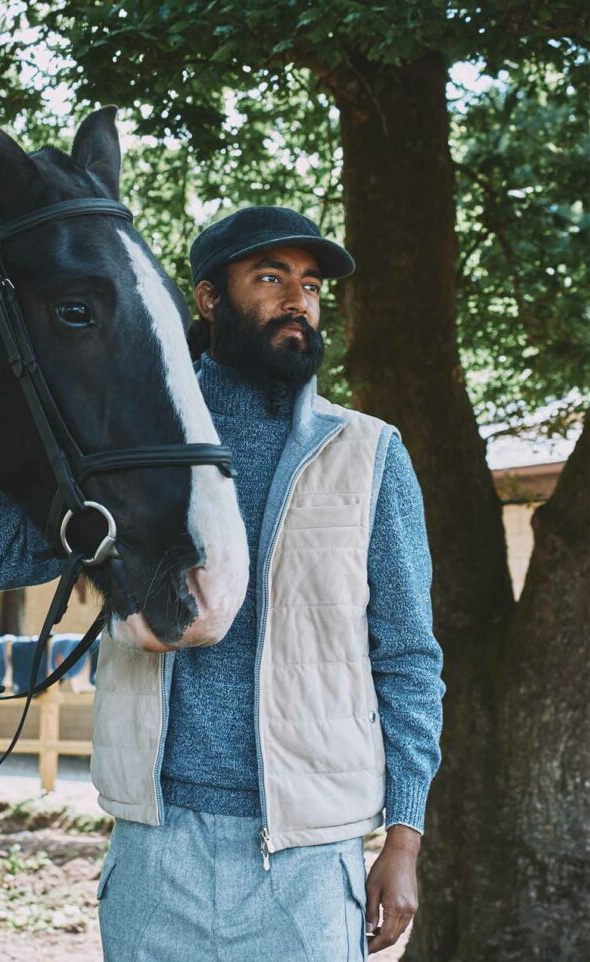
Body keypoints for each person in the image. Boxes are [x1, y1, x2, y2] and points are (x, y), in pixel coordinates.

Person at [92, 206, 446, 961]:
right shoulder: (126, 439)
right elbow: (13, 557)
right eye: (270, 277)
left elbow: (410, 657)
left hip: (309, 861)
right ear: (209, 297)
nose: (299, 299)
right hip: (155, 847)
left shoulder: (369, 453)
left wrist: (404, 839)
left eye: (311, 285)